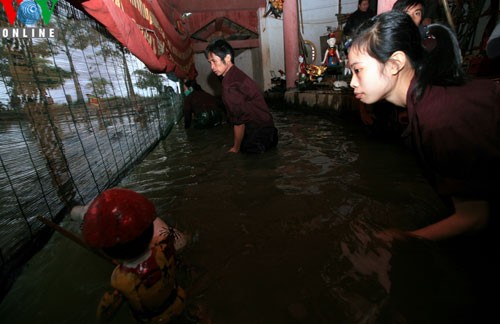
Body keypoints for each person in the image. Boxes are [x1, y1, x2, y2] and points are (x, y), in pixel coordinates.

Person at [348, 10, 500, 241]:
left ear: (394, 64)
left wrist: (405, 237)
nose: (351, 81)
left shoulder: (438, 118)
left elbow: (475, 217)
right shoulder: (423, 101)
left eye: (358, 70)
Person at [70, 188, 187, 322]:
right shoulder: (164, 246)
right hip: (179, 300)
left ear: (109, 251)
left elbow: (106, 312)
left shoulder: (121, 279)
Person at [204, 39, 279, 154]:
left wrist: (235, 148)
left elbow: (239, 122)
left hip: (259, 139)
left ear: (228, 58)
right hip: (270, 133)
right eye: (210, 63)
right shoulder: (237, 74)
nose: (212, 67)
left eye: (214, 61)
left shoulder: (229, 85)